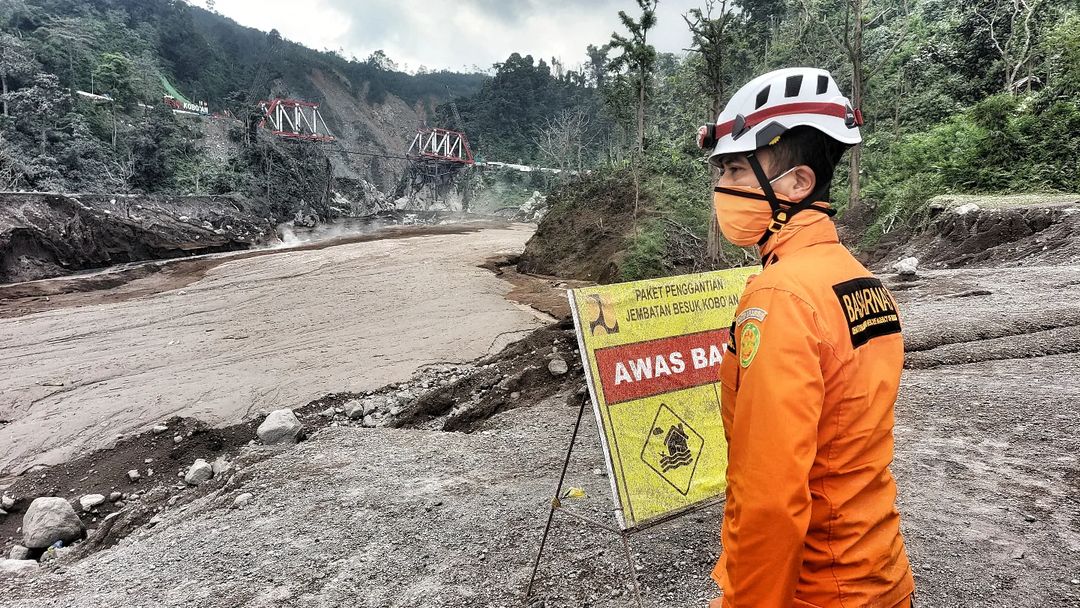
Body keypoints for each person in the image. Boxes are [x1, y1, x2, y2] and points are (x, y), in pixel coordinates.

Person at [696, 67, 915, 607]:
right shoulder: (860, 280)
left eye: (736, 170)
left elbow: (771, 496)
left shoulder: (781, 297)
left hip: (817, 591)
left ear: (796, 183)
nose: (723, 188)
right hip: (882, 576)